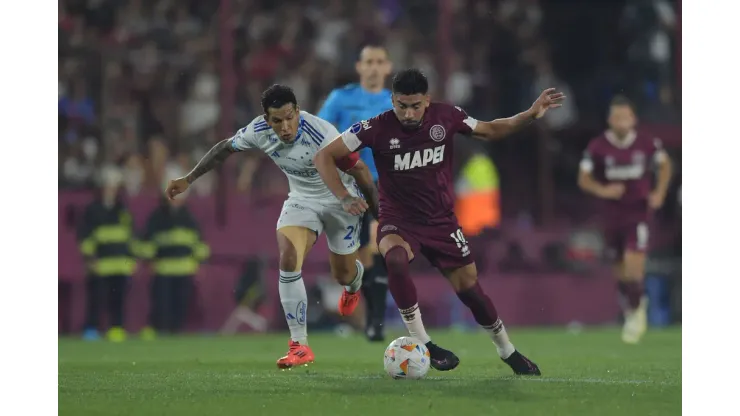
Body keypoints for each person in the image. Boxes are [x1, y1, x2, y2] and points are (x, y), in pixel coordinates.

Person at [315, 68, 564, 375]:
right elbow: (325, 155)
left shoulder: (446, 117)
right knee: (394, 259)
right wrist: (344, 195)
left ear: (427, 101)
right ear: (392, 100)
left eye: (415, 106)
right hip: (398, 220)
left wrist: (529, 114)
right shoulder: (374, 127)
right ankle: (425, 344)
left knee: (470, 290)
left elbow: (490, 129)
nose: (408, 113)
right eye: (401, 105)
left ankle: (507, 351)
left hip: (441, 222)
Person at [165, 84, 379, 369]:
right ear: (267, 120)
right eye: (277, 120)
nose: (286, 126)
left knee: (343, 274)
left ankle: (353, 284)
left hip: (342, 200)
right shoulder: (258, 131)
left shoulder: (323, 134)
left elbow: (361, 170)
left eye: (290, 117)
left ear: (298, 112)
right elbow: (224, 149)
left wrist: (380, 217)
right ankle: (299, 345)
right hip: (302, 200)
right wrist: (189, 179)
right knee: (288, 256)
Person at [577, 95, 672, 344]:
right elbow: (584, 179)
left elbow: (664, 165)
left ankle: (637, 312)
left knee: (633, 264)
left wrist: (659, 192)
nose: (621, 122)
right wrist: (603, 190)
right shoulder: (597, 146)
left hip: (637, 213)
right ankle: (632, 307)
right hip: (611, 216)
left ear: (633, 119)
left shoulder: (647, 143)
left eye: (626, 117)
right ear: (610, 120)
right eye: (617, 117)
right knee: (619, 270)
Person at [318, 44, 393, 342]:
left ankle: (376, 322)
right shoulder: (341, 98)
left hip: (385, 185)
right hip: (349, 187)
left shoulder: (395, 102)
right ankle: (369, 318)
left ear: (387, 68)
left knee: (377, 247)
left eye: (379, 62)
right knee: (358, 260)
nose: (374, 67)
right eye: (369, 62)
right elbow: (320, 133)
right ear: (359, 67)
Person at [138, 191, 210, 339]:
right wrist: (150, 260)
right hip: (163, 269)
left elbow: (200, 244)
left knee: (180, 306)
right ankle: (162, 333)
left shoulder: (189, 218)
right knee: (163, 305)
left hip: (184, 269)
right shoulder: (157, 218)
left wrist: (199, 263)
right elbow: (146, 244)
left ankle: (176, 334)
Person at [77, 166, 136, 342]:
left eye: (114, 186)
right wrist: (89, 259)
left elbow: (129, 237)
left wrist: (131, 259)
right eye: (108, 185)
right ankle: (91, 329)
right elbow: (85, 237)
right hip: (100, 264)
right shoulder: (92, 210)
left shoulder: (122, 211)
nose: (111, 189)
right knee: (96, 299)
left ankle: (116, 328)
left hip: (119, 264)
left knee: (117, 300)